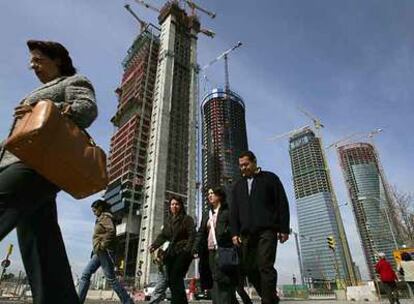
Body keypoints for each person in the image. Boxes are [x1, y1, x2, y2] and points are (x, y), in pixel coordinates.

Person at [0, 40, 97, 304]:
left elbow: (87, 110)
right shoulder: (40, 90)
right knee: (41, 246)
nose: (33, 66)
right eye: (31, 61)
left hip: (38, 164)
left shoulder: (73, 81)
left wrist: (47, 109)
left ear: (58, 61)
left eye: (38, 59)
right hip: (22, 161)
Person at [230, 151, 290, 304]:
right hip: (246, 234)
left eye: (246, 164)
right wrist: (235, 233)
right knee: (250, 269)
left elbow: (282, 203)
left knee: (265, 265)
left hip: (267, 231)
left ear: (254, 162)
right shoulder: (237, 186)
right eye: (241, 166)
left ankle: (267, 300)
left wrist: (284, 228)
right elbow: (234, 212)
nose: (243, 168)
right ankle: (270, 296)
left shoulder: (270, 178)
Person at [78, 199, 133, 304]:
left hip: (105, 251)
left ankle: (128, 301)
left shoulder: (105, 217)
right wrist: (95, 250)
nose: (94, 213)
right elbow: (100, 236)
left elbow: (111, 231)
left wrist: (102, 245)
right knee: (86, 274)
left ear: (100, 208)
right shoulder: (100, 218)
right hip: (99, 252)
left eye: (94, 211)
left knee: (111, 279)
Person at [194, 187, 237, 304]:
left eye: (212, 193)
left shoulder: (227, 211)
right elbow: (200, 233)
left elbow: (234, 227)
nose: (210, 196)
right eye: (208, 194)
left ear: (220, 196)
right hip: (210, 252)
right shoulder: (206, 214)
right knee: (213, 281)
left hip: (224, 250)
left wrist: (226, 233)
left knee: (223, 280)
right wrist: (195, 248)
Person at [149, 196, 195, 304]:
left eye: (177, 204)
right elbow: (163, 236)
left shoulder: (187, 219)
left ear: (181, 206)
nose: (174, 206)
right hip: (171, 254)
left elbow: (192, 235)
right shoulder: (168, 220)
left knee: (175, 277)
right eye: (172, 204)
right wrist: (154, 245)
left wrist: (187, 250)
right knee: (174, 280)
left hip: (182, 253)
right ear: (170, 206)